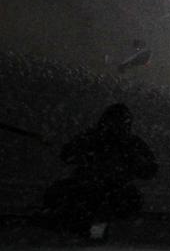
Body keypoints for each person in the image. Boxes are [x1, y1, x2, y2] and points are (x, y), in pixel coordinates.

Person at [41, 102, 157, 239]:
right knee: (71, 195)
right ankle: (80, 227)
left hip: (108, 189)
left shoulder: (125, 142)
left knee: (104, 200)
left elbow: (150, 169)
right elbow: (67, 154)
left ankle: (85, 229)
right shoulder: (99, 139)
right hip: (94, 187)